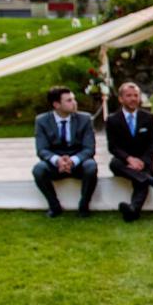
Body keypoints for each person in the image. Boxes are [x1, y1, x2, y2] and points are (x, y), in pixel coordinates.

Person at [32, 86, 97, 218]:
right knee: (39, 169)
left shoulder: (85, 119)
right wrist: (58, 160)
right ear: (56, 104)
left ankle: (84, 206)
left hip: (78, 161)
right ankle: (54, 206)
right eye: (69, 100)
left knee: (91, 166)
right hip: (55, 163)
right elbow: (42, 149)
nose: (74, 103)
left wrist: (73, 161)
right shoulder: (42, 121)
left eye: (73, 99)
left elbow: (89, 149)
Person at [107, 81, 153, 222]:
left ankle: (133, 209)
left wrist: (143, 161)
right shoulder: (112, 120)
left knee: (141, 178)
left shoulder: (148, 117)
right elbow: (113, 147)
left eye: (136, 95)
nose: (133, 99)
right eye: (129, 95)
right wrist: (129, 159)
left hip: (146, 161)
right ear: (121, 98)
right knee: (114, 163)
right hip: (124, 162)